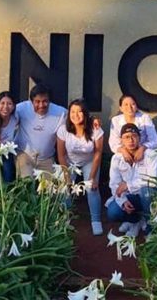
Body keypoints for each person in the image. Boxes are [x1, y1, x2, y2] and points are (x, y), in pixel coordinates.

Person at [57, 99, 104, 236]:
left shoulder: (95, 129)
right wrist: (67, 177)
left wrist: (92, 177)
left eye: (79, 112)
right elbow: (61, 155)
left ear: (85, 113)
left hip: (89, 161)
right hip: (69, 162)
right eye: (72, 112)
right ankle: (65, 217)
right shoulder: (63, 130)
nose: (75, 115)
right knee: (65, 188)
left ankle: (96, 220)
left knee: (91, 188)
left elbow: (98, 153)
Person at [107, 123, 157, 237]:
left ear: (139, 138)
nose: (131, 140)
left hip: (148, 197)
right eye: (126, 137)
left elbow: (153, 180)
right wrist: (123, 201)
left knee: (146, 190)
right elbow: (114, 184)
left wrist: (128, 185)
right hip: (130, 197)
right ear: (121, 140)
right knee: (113, 212)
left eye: (134, 136)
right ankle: (135, 220)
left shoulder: (150, 155)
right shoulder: (116, 158)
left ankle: (150, 229)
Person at [15, 84, 66, 178]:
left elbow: (76, 120)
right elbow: (5, 117)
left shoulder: (61, 113)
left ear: (50, 101)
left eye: (45, 101)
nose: (41, 105)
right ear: (31, 101)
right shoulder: (21, 108)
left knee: (51, 186)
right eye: (37, 102)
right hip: (25, 155)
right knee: (26, 183)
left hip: (47, 158)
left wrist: (93, 121)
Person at [109, 94, 157, 163]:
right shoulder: (115, 120)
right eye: (126, 104)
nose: (129, 107)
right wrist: (124, 151)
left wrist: (142, 148)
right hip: (124, 154)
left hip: (143, 153)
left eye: (133, 104)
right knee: (116, 158)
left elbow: (155, 141)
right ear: (120, 108)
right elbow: (113, 143)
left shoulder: (145, 118)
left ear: (137, 107)